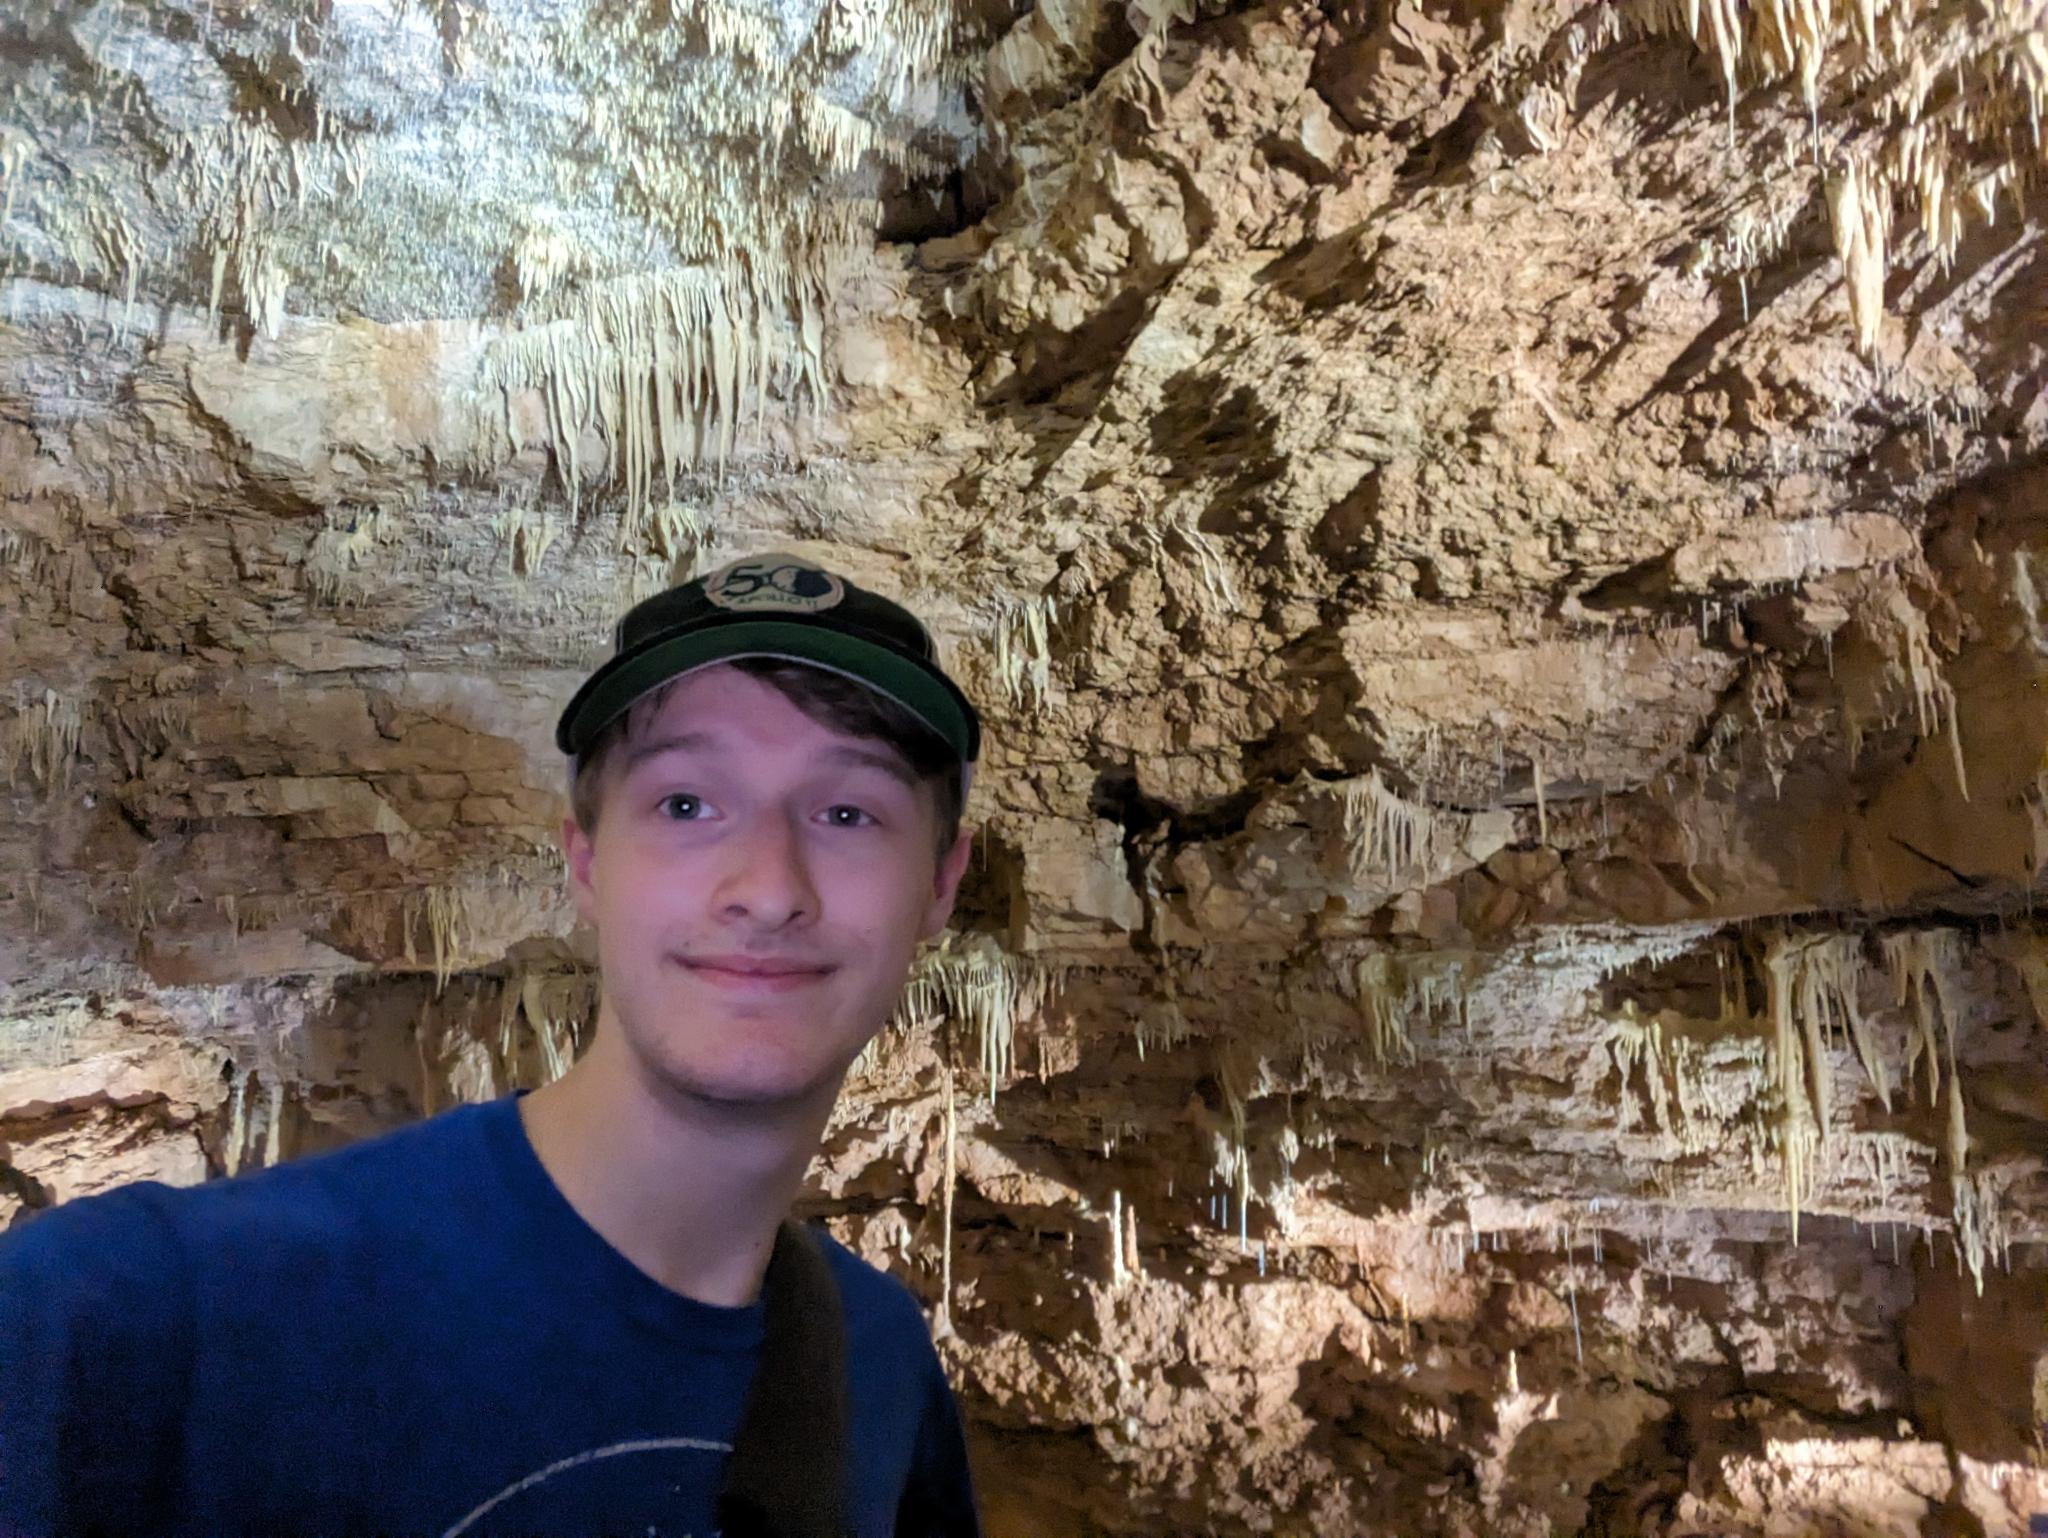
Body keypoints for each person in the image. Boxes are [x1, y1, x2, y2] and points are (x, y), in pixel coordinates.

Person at [0, 551, 986, 1538]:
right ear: (586, 863)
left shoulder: (876, 1364)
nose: (768, 886)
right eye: (686, 803)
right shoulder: (118, 1324)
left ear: (941, 882)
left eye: (848, 811)